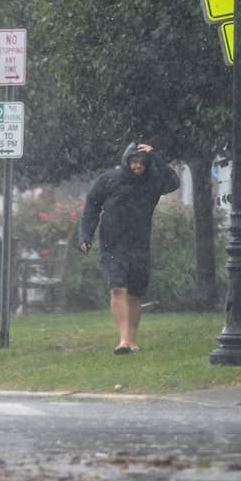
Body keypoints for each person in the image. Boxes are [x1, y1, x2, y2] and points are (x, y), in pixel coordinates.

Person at [78, 142, 180, 354]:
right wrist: (85, 235)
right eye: (134, 162)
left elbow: (174, 182)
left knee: (134, 294)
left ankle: (131, 340)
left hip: (139, 245)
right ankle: (123, 340)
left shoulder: (152, 182)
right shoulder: (108, 180)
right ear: (126, 162)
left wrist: (155, 156)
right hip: (112, 244)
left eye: (142, 162)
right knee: (117, 288)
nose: (137, 166)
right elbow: (91, 207)